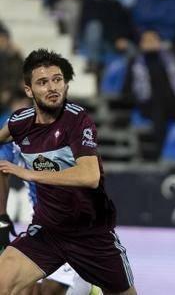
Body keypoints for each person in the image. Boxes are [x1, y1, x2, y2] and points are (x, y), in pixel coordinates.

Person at [0, 49, 136, 294]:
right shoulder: (19, 122)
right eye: (43, 82)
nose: (53, 87)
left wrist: (31, 174)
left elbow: (89, 177)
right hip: (47, 231)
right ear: (29, 90)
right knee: (3, 282)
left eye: (57, 79)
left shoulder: (77, 120)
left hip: (91, 235)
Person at [1, 143, 93, 295]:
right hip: (41, 224)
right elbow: (2, 165)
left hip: (73, 225)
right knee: (19, 288)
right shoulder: (15, 126)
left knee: (50, 290)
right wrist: (2, 218)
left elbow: (91, 175)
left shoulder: (71, 127)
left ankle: (91, 287)